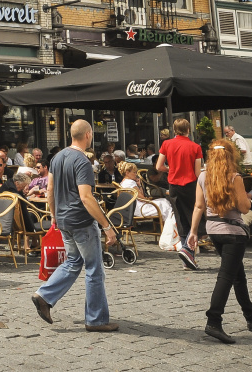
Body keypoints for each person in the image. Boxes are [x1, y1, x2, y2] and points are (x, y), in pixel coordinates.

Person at [31, 119, 118, 332]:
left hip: (64, 220)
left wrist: (54, 215)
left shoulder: (57, 157)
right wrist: (107, 226)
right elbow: (86, 197)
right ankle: (96, 320)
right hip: (81, 221)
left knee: (73, 261)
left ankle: (44, 295)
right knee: (94, 269)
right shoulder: (82, 162)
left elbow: (50, 190)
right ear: (88, 134)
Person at [188, 141, 252, 344]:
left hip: (213, 229)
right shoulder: (234, 177)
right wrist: (250, 200)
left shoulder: (203, 176)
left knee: (238, 275)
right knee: (227, 276)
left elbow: (198, 205)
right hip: (233, 231)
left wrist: (193, 232)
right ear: (231, 156)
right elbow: (244, 208)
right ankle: (214, 320)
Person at [156, 118, 203, 270]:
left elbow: (159, 166)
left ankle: (187, 260)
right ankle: (188, 251)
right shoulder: (195, 147)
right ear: (188, 129)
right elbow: (197, 172)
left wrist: (171, 169)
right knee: (197, 217)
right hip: (190, 185)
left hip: (174, 185)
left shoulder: (167, 144)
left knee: (181, 219)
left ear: (174, 130)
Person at [117, 162, 175, 232]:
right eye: (134, 172)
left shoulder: (123, 183)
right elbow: (142, 198)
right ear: (127, 173)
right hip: (139, 209)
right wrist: (149, 200)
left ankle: (168, 229)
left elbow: (140, 195)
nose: (136, 175)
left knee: (163, 202)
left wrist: (139, 185)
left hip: (133, 208)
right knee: (165, 203)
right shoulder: (130, 183)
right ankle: (169, 230)